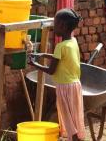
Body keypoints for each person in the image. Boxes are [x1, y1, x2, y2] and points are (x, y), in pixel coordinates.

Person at [29, 8, 85, 141]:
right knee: (74, 118)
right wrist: (43, 54)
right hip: (75, 85)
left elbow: (51, 70)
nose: (54, 27)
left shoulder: (60, 46)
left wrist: (33, 64)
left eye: (56, 23)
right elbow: (59, 58)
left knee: (68, 120)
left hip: (64, 88)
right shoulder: (72, 42)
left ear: (63, 26)